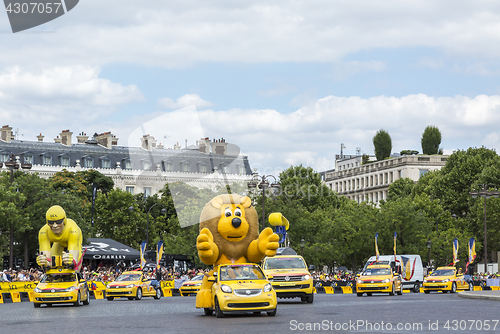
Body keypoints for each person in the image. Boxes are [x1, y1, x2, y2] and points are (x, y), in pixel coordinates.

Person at [36, 205, 83, 272]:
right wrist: (44, 262)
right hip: (59, 242)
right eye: (51, 222)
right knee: (53, 265)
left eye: (58, 222)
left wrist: (71, 261)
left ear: (64, 220)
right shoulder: (43, 232)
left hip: (73, 240)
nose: (55, 226)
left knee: (73, 269)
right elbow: (47, 264)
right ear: (47, 222)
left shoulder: (73, 229)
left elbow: (74, 261)